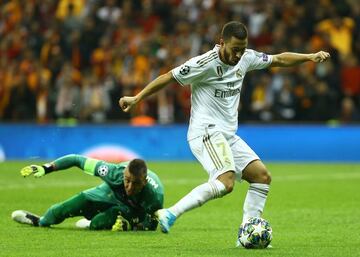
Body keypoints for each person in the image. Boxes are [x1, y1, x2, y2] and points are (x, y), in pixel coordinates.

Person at [119, 21, 330, 239]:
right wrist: (137, 98)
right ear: (221, 43)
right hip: (205, 132)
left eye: (242, 49)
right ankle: (171, 213)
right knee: (226, 181)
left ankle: (248, 233)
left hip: (227, 135)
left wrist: (309, 56)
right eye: (235, 49)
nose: (239, 55)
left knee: (262, 177)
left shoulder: (246, 57)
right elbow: (168, 77)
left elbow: (278, 59)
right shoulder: (204, 63)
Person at [11, 154, 164, 231]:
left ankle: (91, 224)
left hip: (133, 211)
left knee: (101, 222)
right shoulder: (112, 172)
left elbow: (151, 225)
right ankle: (40, 221)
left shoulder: (155, 196)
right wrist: (46, 168)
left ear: (144, 181)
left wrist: (132, 226)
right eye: (127, 180)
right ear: (123, 173)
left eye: (136, 183)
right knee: (69, 206)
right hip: (111, 193)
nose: (130, 187)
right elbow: (76, 159)